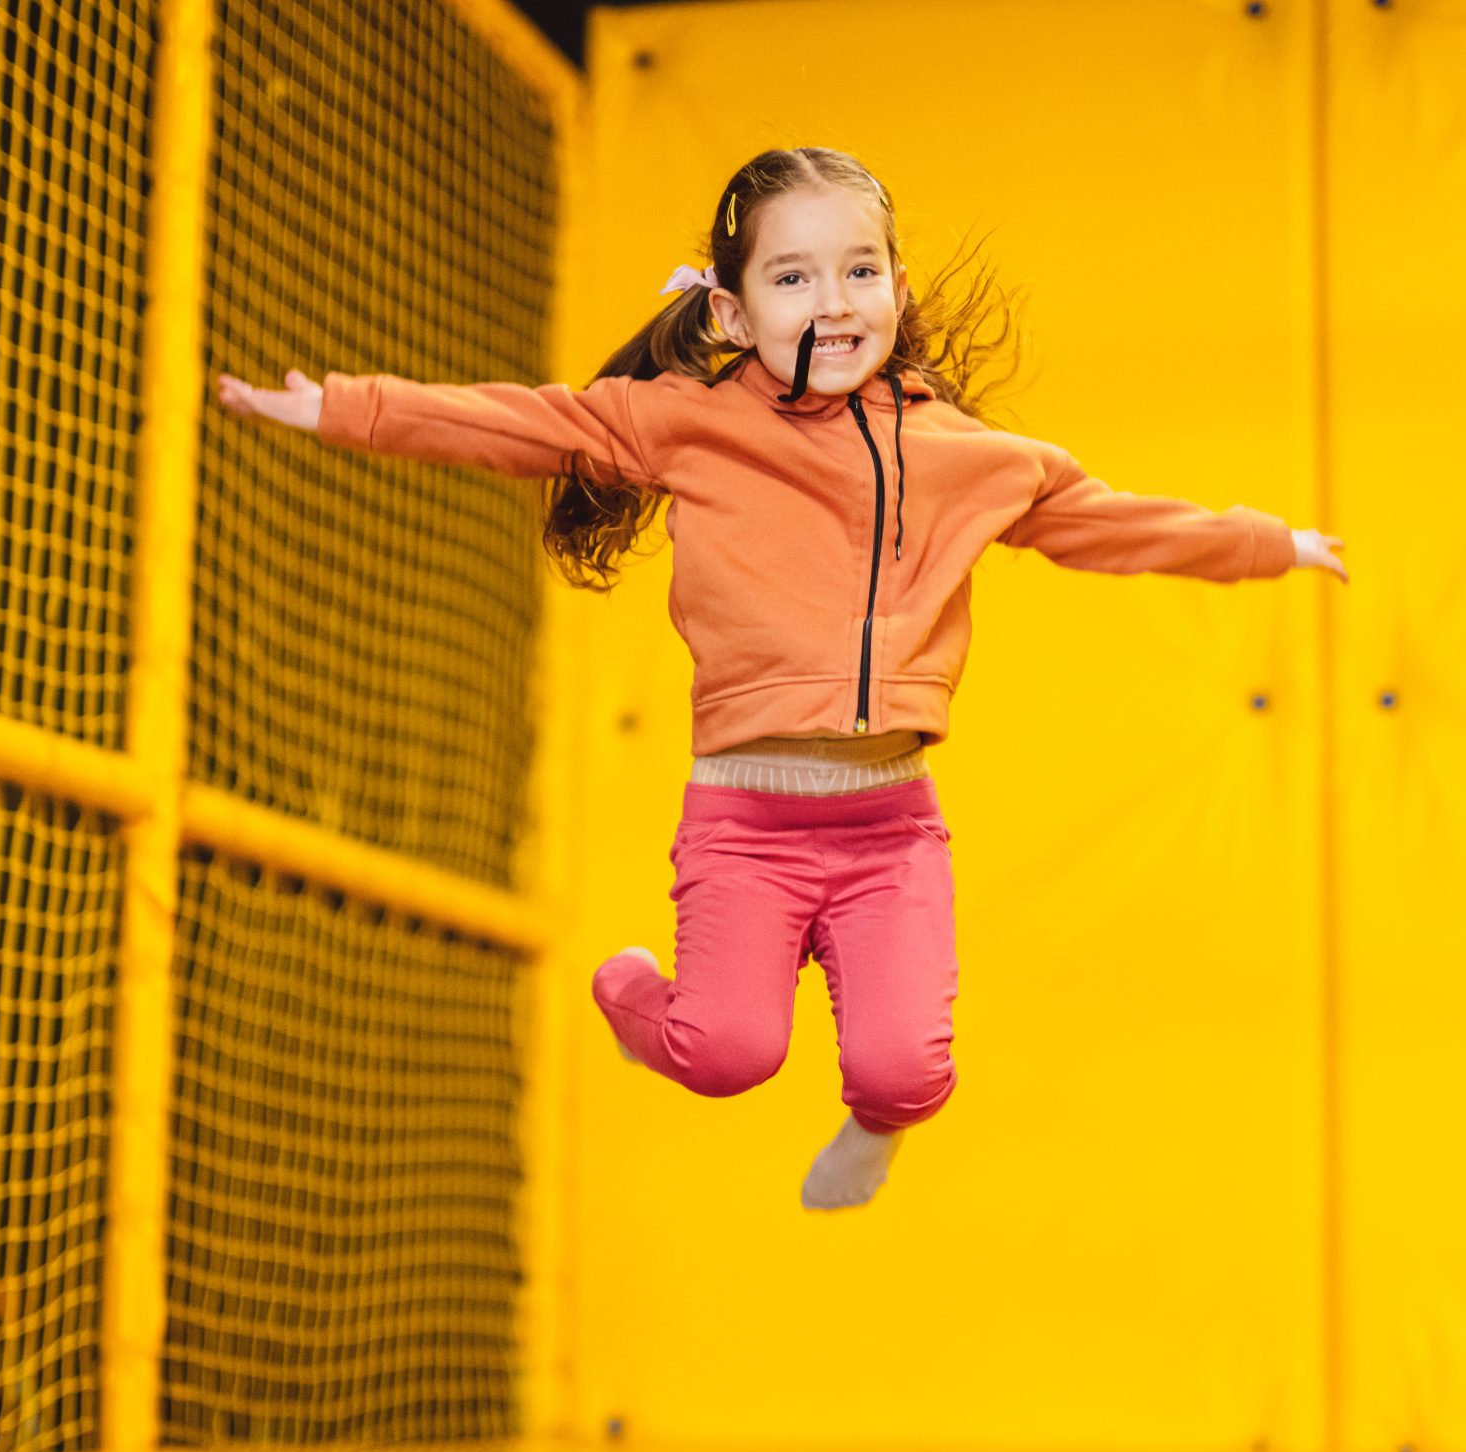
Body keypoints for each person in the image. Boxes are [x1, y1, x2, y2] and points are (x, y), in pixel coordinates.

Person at [214, 146, 1346, 1214]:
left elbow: (1107, 524)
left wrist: (1266, 543)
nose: (834, 302)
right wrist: (345, 408)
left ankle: (874, 1126)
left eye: (859, 271)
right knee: (727, 1057)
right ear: (730, 309)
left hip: (888, 824)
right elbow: (521, 424)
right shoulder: (687, 428)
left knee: (907, 1074)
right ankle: (627, 991)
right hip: (744, 819)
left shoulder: (964, 457)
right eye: (793, 277)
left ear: (896, 286)